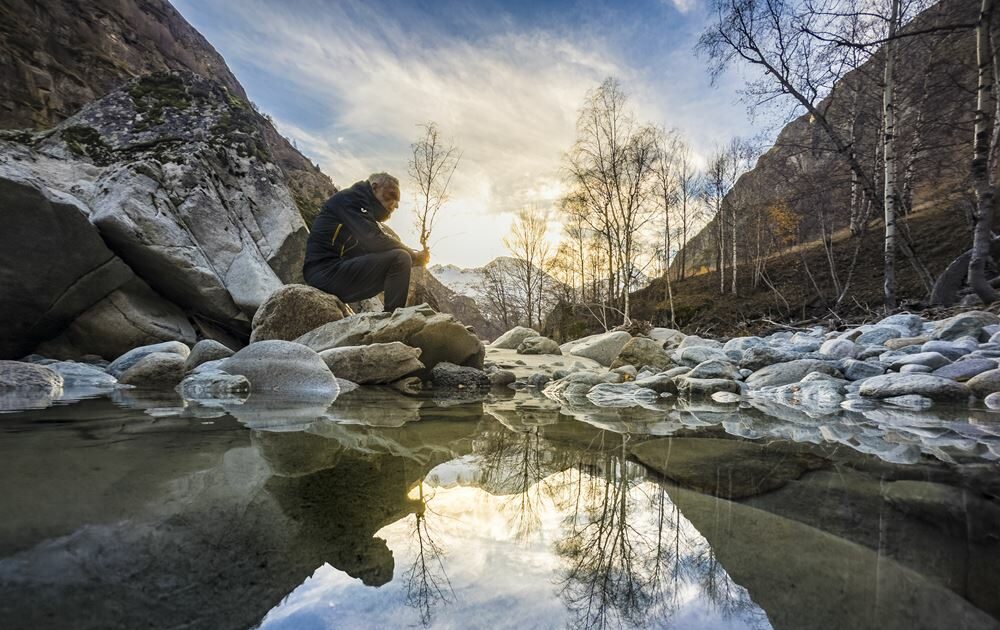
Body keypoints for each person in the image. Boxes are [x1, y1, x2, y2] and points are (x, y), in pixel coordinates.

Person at [303, 172, 429, 311]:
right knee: (400, 258)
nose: (396, 205)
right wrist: (414, 256)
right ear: (374, 188)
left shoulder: (358, 207)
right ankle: (393, 319)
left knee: (394, 258)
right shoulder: (351, 199)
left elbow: (373, 247)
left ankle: (392, 317)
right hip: (324, 272)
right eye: (391, 195)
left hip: (331, 272)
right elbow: (374, 240)